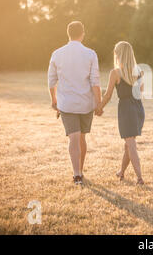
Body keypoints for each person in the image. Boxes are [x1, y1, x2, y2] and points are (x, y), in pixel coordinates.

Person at [48, 21, 102, 185]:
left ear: (68, 33)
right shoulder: (90, 54)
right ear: (82, 33)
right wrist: (98, 103)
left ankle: (76, 173)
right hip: (85, 103)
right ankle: (80, 170)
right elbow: (95, 81)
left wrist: (54, 100)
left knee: (73, 138)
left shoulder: (57, 53)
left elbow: (51, 81)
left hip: (66, 104)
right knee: (81, 138)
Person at [97, 41, 145, 185]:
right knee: (128, 144)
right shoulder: (139, 71)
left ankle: (139, 178)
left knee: (130, 144)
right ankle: (122, 172)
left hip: (126, 109)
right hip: (138, 108)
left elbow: (108, 95)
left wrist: (99, 108)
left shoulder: (116, 72)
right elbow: (140, 92)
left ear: (118, 55)